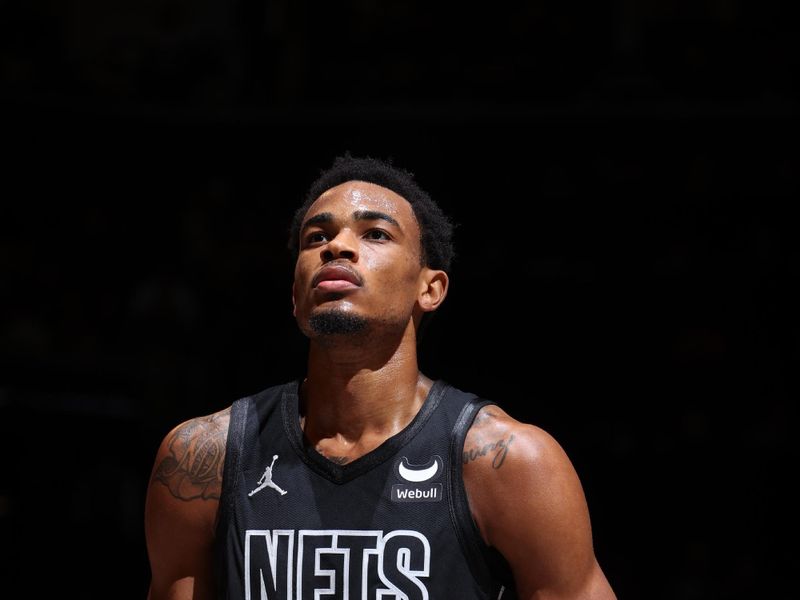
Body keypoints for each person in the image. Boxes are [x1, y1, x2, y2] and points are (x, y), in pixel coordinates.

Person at [144, 154, 617, 600]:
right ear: (295, 294)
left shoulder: (510, 463)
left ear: (429, 288)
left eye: (375, 234)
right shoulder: (202, 458)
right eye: (316, 238)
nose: (337, 246)